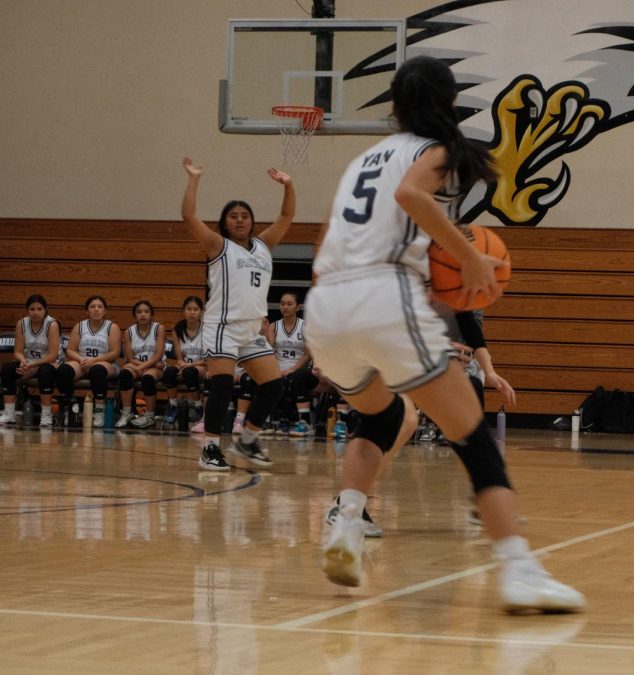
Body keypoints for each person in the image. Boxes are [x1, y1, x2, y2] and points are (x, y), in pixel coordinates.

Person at [305, 55, 583, 612]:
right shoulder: (433, 151)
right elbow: (411, 196)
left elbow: (327, 244)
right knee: (474, 436)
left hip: (326, 304)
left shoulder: (362, 159)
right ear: (450, 102)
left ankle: (346, 525)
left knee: (380, 417)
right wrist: (468, 261)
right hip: (381, 294)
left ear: (393, 105)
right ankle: (518, 569)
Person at [181, 156, 295, 470]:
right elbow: (188, 216)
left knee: (274, 386)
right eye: (234, 216)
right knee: (222, 383)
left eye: (245, 215)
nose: (240, 220)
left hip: (251, 328)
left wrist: (288, 185)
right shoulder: (218, 245)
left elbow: (287, 215)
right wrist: (194, 179)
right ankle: (210, 449)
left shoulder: (264, 245)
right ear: (225, 222)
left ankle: (247, 440)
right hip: (222, 325)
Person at [56, 295, 121, 428]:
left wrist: (94, 361)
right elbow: (70, 350)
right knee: (63, 371)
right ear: (87, 311)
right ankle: (71, 406)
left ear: (105, 311)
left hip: (105, 363)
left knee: (97, 370)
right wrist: (81, 359)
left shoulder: (112, 327)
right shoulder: (79, 326)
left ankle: (99, 411)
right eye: (92, 307)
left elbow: (115, 353)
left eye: (99, 307)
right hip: (83, 361)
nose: (96, 309)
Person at [1, 294, 60, 427]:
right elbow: (17, 351)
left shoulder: (52, 324)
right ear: (27, 310)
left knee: (45, 371)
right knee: (8, 368)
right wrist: (23, 361)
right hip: (29, 362)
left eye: (39, 309)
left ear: (45, 310)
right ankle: (9, 413)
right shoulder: (21, 323)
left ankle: (46, 415)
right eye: (32, 309)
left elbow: (52, 356)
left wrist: (32, 365)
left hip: (49, 363)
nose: (35, 312)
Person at [268, 290, 318, 437]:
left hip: (299, 368)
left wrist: (293, 368)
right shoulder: (273, 327)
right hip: (278, 367)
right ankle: (268, 421)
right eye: (282, 304)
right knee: (270, 379)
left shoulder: (305, 326)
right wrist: (277, 368)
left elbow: (308, 355)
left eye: (289, 304)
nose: (285, 307)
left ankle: (288, 420)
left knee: (293, 378)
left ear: (298, 307)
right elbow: (269, 352)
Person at [116, 300, 166, 429]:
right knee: (125, 373)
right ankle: (127, 413)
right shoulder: (128, 332)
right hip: (137, 364)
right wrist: (141, 366)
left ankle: (149, 416)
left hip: (155, 366)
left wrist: (143, 367)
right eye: (139, 312)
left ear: (152, 314)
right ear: (135, 316)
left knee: (148, 378)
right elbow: (130, 358)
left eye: (146, 311)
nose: (142, 314)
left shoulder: (159, 329)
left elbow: (158, 356)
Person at [162, 296, 207, 428]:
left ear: (201, 312)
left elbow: (208, 359)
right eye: (188, 309)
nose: (192, 312)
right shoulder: (178, 329)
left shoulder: (207, 329)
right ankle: (173, 404)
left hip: (202, 366)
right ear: (183, 311)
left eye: (195, 309)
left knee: (189, 372)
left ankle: (198, 406)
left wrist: (189, 365)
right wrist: (181, 363)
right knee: (169, 372)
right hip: (185, 366)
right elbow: (179, 357)